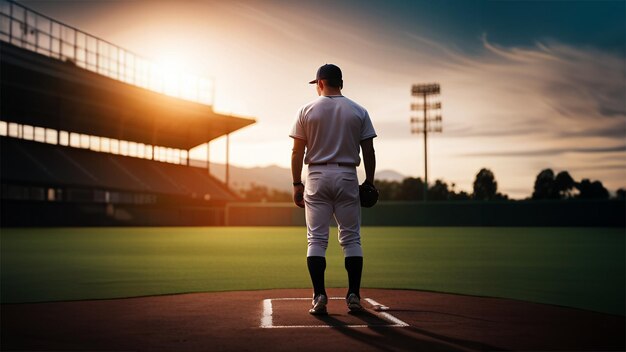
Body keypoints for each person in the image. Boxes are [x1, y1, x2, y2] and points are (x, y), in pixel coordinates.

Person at [290, 64, 377, 315]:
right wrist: (369, 182)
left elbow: (297, 151)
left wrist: (297, 183)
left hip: (316, 174)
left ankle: (319, 297)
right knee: (351, 239)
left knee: (316, 239)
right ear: (341, 83)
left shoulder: (306, 109)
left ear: (319, 83)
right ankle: (353, 296)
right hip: (347, 175)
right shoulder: (359, 110)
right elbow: (368, 151)